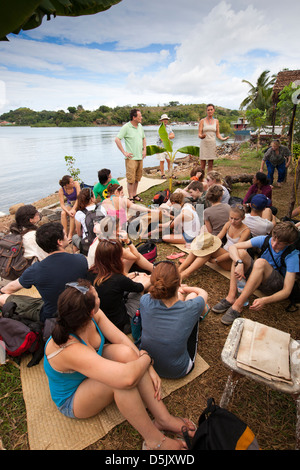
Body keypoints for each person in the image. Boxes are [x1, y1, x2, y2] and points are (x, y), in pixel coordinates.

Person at [44, 279, 194, 450]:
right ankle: (154, 441)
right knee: (121, 383)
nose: (99, 295)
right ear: (90, 311)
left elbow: (121, 339)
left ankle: (163, 419)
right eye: (97, 295)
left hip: (91, 366)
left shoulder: (92, 316)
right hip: (73, 398)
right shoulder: (69, 348)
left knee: (127, 353)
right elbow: (127, 378)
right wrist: (146, 359)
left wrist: (146, 366)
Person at [211, 221, 300, 325]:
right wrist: (239, 262)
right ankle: (231, 297)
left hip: (274, 284)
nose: (274, 244)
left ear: (289, 244)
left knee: (260, 262)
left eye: (280, 243)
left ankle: (238, 305)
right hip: (257, 276)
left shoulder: (292, 256)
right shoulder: (265, 240)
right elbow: (233, 247)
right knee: (240, 254)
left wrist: (265, 300)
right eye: (274, 239)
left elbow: (286, 291)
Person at [0, 222, 88, 322]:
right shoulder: (80, 259)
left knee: (3, 298)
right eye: (64, 234)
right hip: (80, 307)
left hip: (52, 315)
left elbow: (11, 287)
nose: (67, 235)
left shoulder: (36, 269)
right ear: (59, 242)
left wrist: (2, 291)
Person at [140, 260, 208, 379]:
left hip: (147, 363)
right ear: (179, 282)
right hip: (177, 370)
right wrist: (186, 289)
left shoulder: (144, 300)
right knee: (193, 297)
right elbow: (203, 293)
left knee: (185, 302)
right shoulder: (191, 308)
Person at [87, 238, 150, 333]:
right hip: (121, 323)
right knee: (141, 284)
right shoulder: (118, 278)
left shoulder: (90, 273)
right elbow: (139, 288)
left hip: (99, 322)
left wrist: (132, 275)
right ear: (116, 259)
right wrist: (151, 277)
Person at [179, 207, 251, 280]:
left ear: (243, 218)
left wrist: (216, 259)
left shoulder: (246, 231)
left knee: (208, 251)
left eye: (236, 219)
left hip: (233, 259)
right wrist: (202, 243)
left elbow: (235, 251)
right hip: (224, 252)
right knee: (202, 246)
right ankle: (180, 269)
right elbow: (217, 238)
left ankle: (186, 273)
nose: (232, 221)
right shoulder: (228, 224)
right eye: (231, 218)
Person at [115, 109, 146, 202]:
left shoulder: (140, 126)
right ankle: (130, 197)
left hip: (140, 157)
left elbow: (144, 138)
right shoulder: (126, 127)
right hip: (131, 158)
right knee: (131, 179)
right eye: (140, 116)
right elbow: (117, 139)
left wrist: (145, 149)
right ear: (134, 117)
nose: (141, 118)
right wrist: (124, 152)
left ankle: (135, 194)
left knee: (137, 178)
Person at [198, 104, 229, 173]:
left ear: (214, 110)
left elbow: (218, 134)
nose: (210, 111)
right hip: (204, 144)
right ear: (206, 111)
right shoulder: (202, 121)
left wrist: (223, 139)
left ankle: (209, 181)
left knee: (210, 165)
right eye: (208, 110)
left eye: (211, 109)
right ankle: (202, 181)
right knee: (202, 166)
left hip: (212, 144)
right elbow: (199, 134)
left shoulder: (216, 121)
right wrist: (201, 136)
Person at [58, 175, 81, 241]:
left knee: (72, 213)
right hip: (70, 203)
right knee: (63, 213)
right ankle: (65, 233)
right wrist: (68, 212)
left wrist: (73, 209)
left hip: (78, 203)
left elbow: (78, 198)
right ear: (67, 185)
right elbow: (62, 205)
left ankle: (70, 234)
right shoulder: (61, 190)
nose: (73, 182)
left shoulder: (76, 184)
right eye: (71, 182)